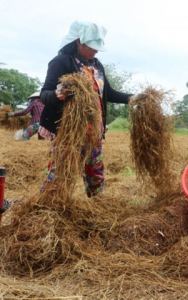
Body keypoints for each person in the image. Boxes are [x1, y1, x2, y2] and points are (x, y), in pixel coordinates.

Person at [39, 20, 134, 197]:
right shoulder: (61, 62)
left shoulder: (97, 65)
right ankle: (50, 206)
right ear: (77, 42)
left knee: (95, 173)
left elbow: (108, 93)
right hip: (70, 132)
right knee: (60, 173)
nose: (96, 50)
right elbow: (45, 93)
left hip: (93, 132)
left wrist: (132, 98)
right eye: (91, 46)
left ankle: (96, 204)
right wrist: (57, 95)